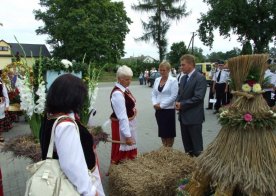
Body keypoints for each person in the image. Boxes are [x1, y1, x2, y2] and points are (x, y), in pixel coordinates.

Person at [39, 74, 104, 196]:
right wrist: (90, 191)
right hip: (71, 186)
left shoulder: (50, 116)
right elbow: (72, 165)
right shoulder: (65, 126)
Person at [175, 54, 207, 157]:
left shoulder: (200, 78)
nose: (181, 67)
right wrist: (177, 102)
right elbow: (180, 94)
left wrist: (182, 104)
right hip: (183, 117)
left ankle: (198, 168)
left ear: (190, 64)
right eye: (181, 65)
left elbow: (198, 98)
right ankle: (189, 167)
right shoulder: (183, 78)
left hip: (194, 118)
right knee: (187, 147)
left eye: (183, 65)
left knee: (197, 148)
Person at [110, 65, 137, 164]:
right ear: (119, 79)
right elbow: (122, 116)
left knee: (128, 149)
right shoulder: (117, 93)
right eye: (126, 79)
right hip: (122, 126)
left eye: (130, 79)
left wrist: (134, 110)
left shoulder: (125, 89)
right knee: (121, 150)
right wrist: (127, 135)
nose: (129, 82)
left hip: (129, 123)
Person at [151, 61, 179, 147]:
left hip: (168, 110)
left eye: (164, 70)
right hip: (158, 110)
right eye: (160, 70)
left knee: (169, 132)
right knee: (162, 131)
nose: (162, 72)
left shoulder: (173, 80)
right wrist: (155, 104)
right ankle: (164, 148)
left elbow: (173, 96)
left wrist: (161, 105)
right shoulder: (157, 80)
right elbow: (153, 94)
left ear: (169, 70)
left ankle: (169, 149)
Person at [0, 77, 14, 142]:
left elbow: (5, 94)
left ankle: (0, 135)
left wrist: (7, 105)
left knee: (1, 120)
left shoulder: (2, 83)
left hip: (1, 105)